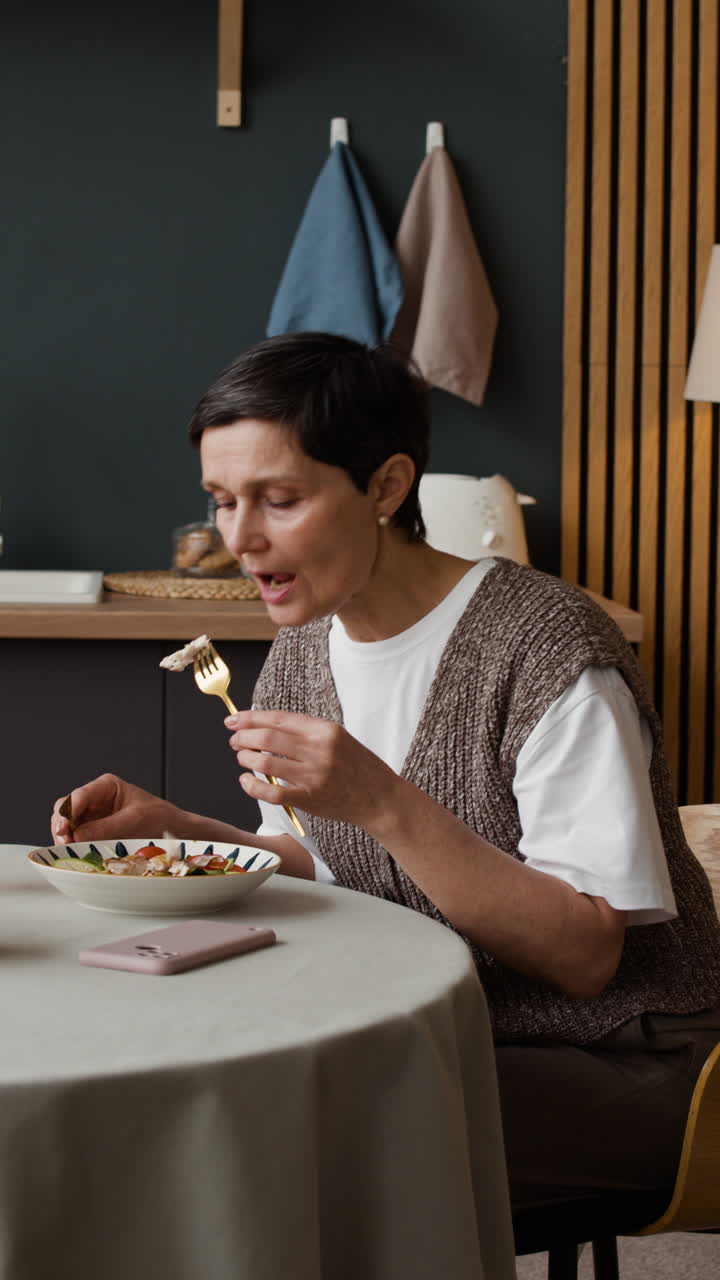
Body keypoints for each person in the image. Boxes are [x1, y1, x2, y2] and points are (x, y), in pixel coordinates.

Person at [52, 332, 720, 1213]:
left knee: (266, 1139)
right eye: (222, 502)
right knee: (173, 1089)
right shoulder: (303, 648)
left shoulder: (546, 651)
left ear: (387, 486)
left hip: (631, 1057)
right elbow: (321, 865)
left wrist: (382, 800)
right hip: (435, 1027)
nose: (239, 538)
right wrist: (179, 832)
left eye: (280, 500)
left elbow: (586, 954)